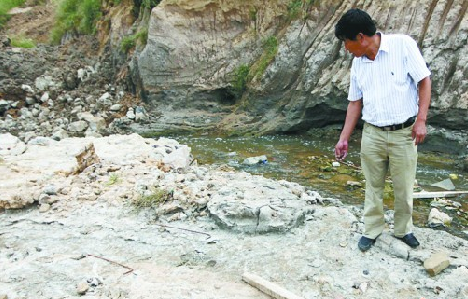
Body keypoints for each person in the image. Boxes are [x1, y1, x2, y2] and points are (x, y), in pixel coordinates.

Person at [333, 8, 431, 252]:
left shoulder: (402, 46)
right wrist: (343, 138)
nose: (345, 48)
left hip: (403, 132)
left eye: (346, 42)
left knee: (404, 185)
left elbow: (424, 80)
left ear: (360, 38)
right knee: (372, 184)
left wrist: (421, 120)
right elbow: (355, 102)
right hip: (373, 133)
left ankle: (403, 229)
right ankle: (372, 229)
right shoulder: (358, 64)